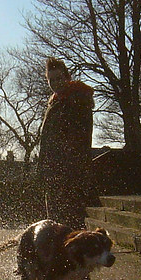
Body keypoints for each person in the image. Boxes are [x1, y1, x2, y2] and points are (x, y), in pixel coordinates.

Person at [37, 57, 95, 229]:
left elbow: (82, 137)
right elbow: (47, 139)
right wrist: (44, 167)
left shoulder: (76, 99)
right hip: (54, 169)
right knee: (56, 219)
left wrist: (71, 165)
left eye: (58, 78)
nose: (55, 83)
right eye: (51, 79)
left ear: (66, 77)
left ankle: (72, 253)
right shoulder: (55, 101)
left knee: (71, 218)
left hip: (70, 170)